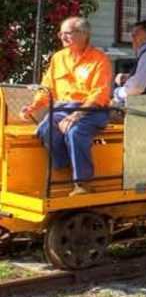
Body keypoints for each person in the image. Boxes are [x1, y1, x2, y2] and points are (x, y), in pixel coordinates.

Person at [21, 16, 112, 196]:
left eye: (67, 33)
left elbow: (99, 93)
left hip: (91, 109)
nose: (62, 37)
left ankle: (83, 183)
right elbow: (47, 88)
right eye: (61, 33)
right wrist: (33, 106)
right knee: (45, 128)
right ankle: (65, 169)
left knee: (75, 132)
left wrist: (76, 115)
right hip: (62, 108)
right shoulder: (58, 58)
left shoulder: (99, 59)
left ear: (84, 34)